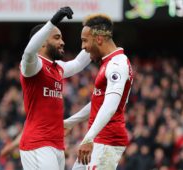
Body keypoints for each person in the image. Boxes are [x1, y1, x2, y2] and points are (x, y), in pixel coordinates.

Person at [9, 6, 91, 170]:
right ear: (43, 42)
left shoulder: (57, 68)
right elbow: (29, 51)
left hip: (56, 143)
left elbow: (78, 63)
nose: (62, 42)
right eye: (57, 37)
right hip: (37, 144)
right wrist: (54, 20)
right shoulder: (32, 66)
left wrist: (94, 40)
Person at [64, 14, 134, 170]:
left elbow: (110, 106)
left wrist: (88, 138)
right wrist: (71, 122)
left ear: (99, 39)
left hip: (107, 140)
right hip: (98, 139)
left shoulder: (117, 64)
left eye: (85, 40)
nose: (83, 47)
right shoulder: (108, 62)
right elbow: (99, 103)